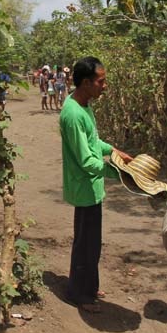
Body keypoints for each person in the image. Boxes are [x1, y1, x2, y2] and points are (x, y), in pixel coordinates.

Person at [59, 56, 133, 312]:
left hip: (92, 188)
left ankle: (88, 287)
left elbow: (94, 143)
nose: (105, 85)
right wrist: (119, 172)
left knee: (92, 242)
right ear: (87, 83)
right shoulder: (72, 114)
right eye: (101, 81)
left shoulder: (85, 106)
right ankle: (78, 294)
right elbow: (86, 161)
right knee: (85, 244)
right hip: (84, 187)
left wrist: (114, 151)